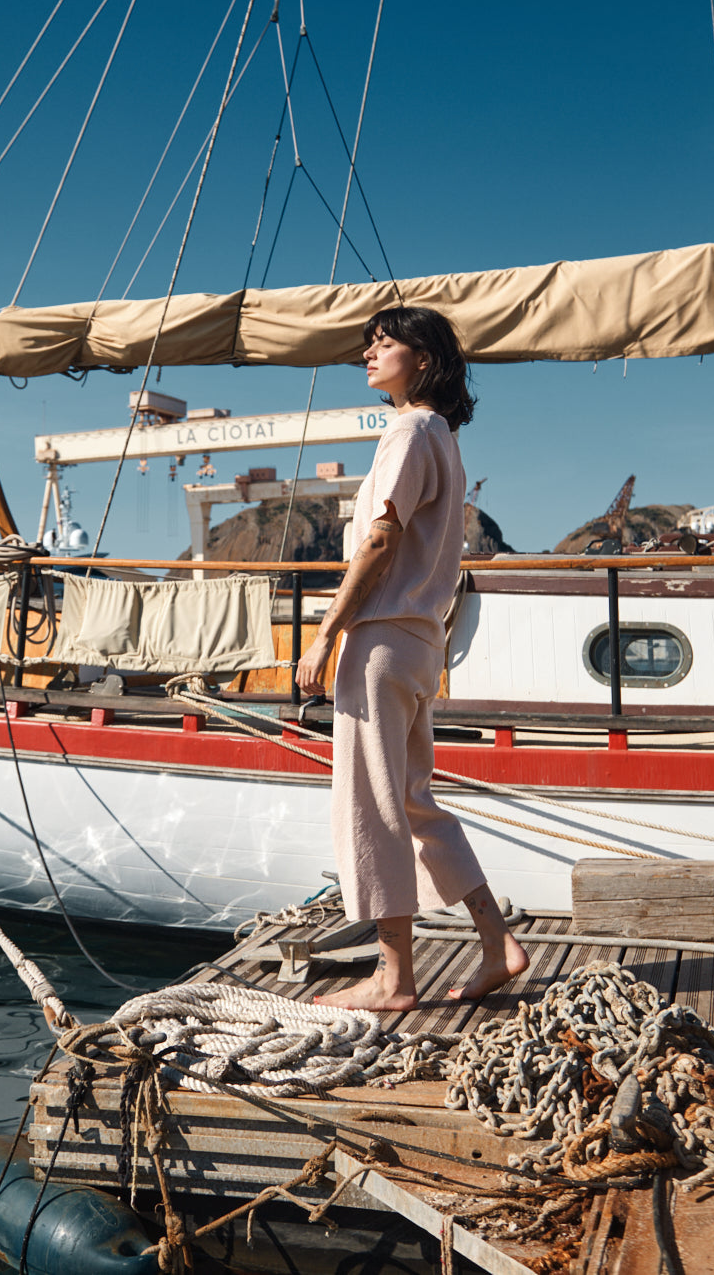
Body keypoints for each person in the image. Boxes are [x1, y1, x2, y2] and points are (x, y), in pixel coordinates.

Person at [295, 306, 529, 1011]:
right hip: (421, 642)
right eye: (368, 342)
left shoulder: (407, 431)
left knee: (372, 809)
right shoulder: (443, 439)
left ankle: (395, 979)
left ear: (423, 358)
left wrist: (327, 631)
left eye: (385, 343)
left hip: (380, 639)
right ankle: (497, 943)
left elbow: (378, 540)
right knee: (412, 802)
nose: (369, 353)